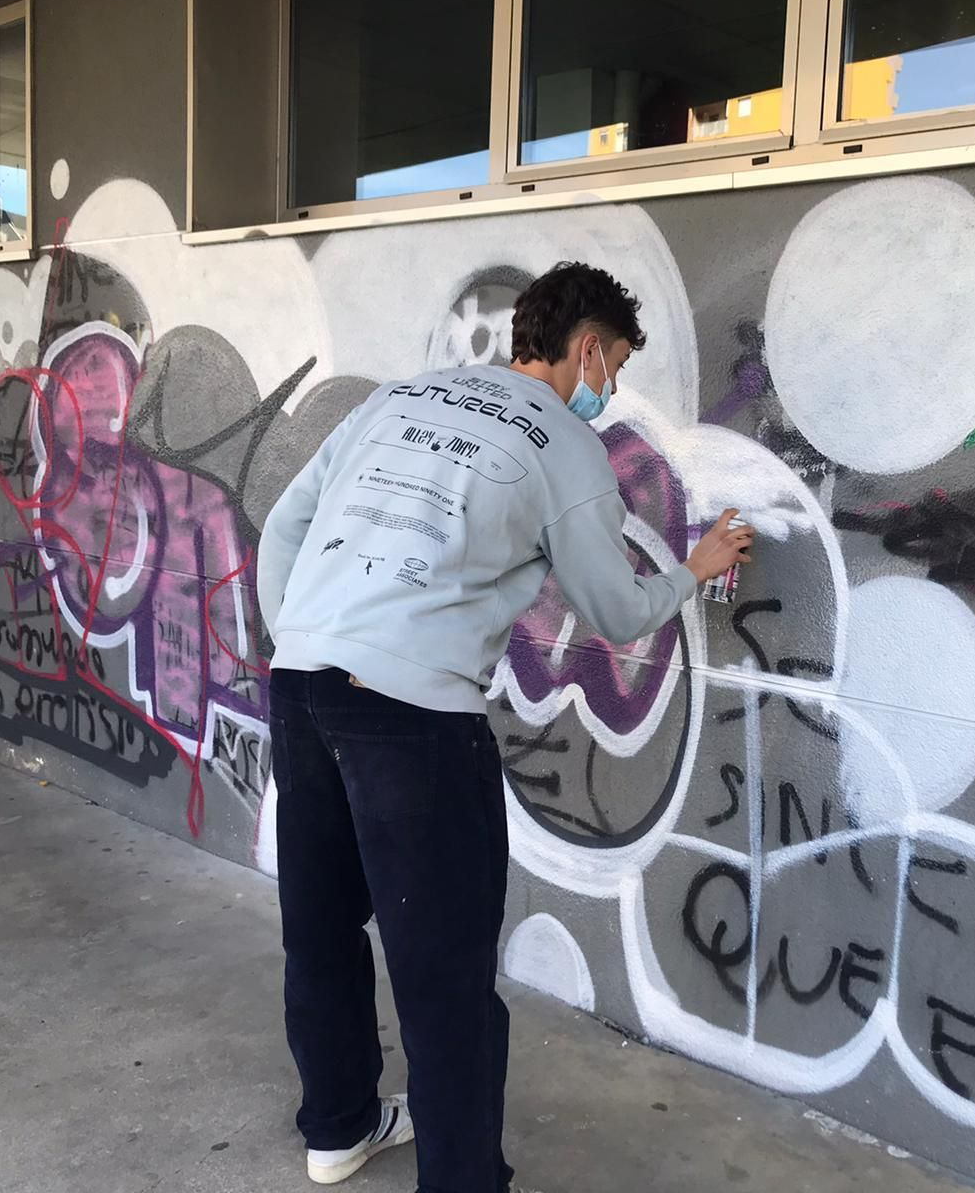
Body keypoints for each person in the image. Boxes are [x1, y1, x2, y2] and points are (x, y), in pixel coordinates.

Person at [256, 261, 753, 1192]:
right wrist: (697, 565)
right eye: (616, 369)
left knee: (319, 928)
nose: (611, 391)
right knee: (443, 973)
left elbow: (285, 524)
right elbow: (613, 608)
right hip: (411, 719)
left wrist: (305, 636)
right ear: (590, 349)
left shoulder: (400, 400)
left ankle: (338, 1128)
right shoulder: (566, 445)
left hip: (301, 684)